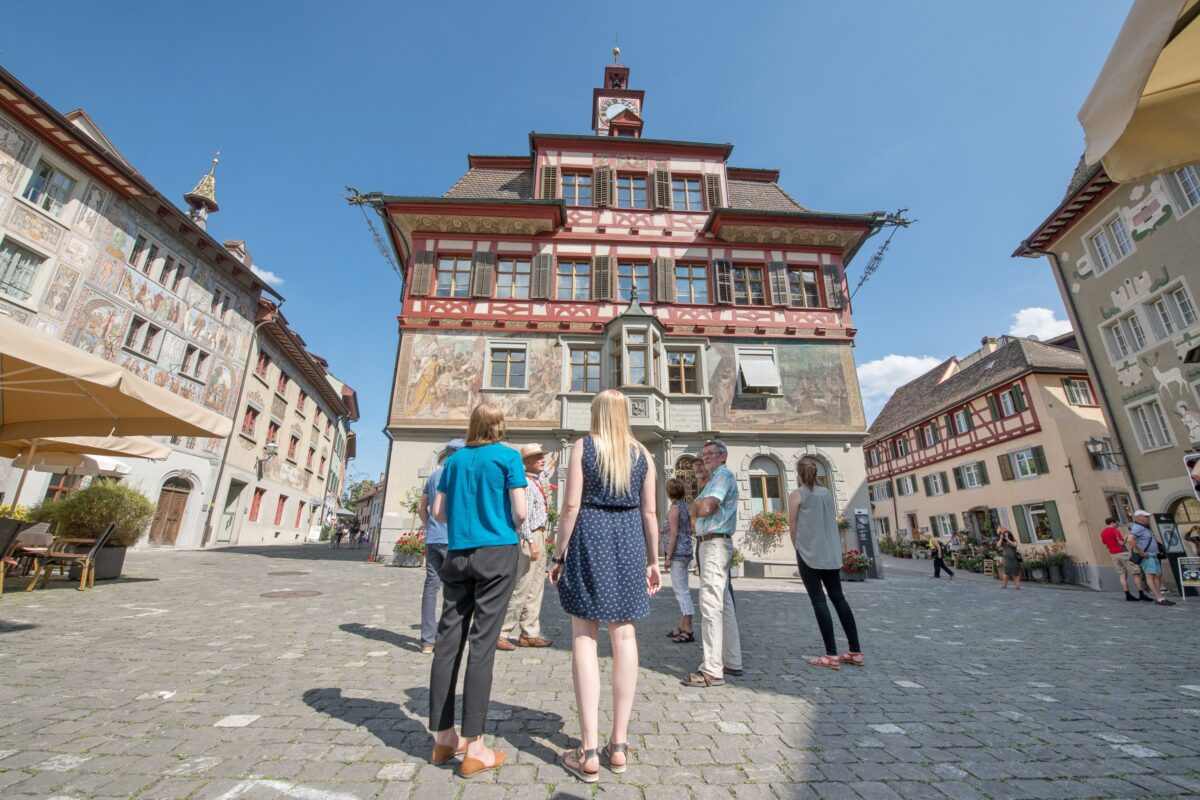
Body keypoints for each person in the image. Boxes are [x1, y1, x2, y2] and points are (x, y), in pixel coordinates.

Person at [550, 390, 661, 782]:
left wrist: (558, 553)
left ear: (596, 413)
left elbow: (570, 507)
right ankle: (619, 744)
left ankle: (589, 749)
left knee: (584, 636)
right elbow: (650, 511)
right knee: (625, 636)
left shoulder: (584, 446)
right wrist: (654, 559)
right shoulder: (643, 455)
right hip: (630, 538)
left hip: (591, 535)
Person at [428, 404, 527, 777]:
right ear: (500, 426)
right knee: (482, 644)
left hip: (457, 553)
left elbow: (438, 512)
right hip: (497, 552)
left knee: (447, 640)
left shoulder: (452, 461)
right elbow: (519, 510)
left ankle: (442, 738)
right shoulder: (507, 456)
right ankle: (476, 746)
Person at [789, 458, 863, 670]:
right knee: (839, 599)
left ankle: (830, 654)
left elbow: (793, 526)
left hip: (809, 553)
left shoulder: (798, 495)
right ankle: (855, 651)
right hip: (831, 553)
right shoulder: (827, 493)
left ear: (799, 474)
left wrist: (797, 547)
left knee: (819, 601)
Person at [682, 439, 743, 688]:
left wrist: (694, 507)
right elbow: (700, 508)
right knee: (724, 603)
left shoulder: (722, 476)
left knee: (711, 604)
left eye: (711, 454)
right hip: (711, 543)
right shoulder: (712, 478)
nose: (706, 458)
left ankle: (712, 669)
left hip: (715, 544)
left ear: (723, 456)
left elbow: (706, 508)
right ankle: (732, 660)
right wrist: (696, 507)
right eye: (704, 454)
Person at [498, 443, 556, 650]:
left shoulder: (534, 479)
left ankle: (529, 632)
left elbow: (542, 475)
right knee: (522, 586)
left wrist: (551, 465)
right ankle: (502, 632)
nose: (542, 459)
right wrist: (530, 542)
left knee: (536, 587)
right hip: (529, 536)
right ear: (526, 463)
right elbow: (524, 516)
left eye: (542, 456)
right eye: (537, 457)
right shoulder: (524, 483)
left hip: (538, 534)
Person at [417, 438, 465, 654]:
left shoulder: (434, 475)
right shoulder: (460, 474)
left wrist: (430, 527)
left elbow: (421, 508)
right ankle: (448, 640)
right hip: (453, 539)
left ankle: (427, 641)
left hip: (433, 539)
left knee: (430, 588)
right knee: (455, 589)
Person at [663, 477, 695, 643]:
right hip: (684, 552)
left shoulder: (675, 508)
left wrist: (668, 557)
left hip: (678, 554)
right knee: (682, 590)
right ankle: (682, 625)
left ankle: (688, 629)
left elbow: (675, 533)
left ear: (669, 492)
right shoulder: (683, 506)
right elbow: (679, 529)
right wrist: (664, 531)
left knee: (681, 592)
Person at [1129, 510, 1175, 606]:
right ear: (1139, 518)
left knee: (1156, 576)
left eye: (1148, 517)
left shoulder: (1144, 527)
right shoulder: (1138, 528)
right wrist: (1141, 552)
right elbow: (1130, 539)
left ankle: (1160, 597)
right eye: (1146, 517)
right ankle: (1159, 598)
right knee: (1150, 576)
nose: (1148, 518)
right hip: (1147, 556)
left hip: (1153, 554)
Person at [1099, 516, 1151, 602]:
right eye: (1116, 523)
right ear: (1112, 523)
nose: (1117, 525)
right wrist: (1126, 536)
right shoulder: (1115, 530)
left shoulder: (1102, 532)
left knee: (1122, 574)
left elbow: (1106, 544)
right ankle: (1141, 594)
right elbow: (1121, 542)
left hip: (1113, 554)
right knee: (1136, 572)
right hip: (1123, 553)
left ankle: (1127, 594)